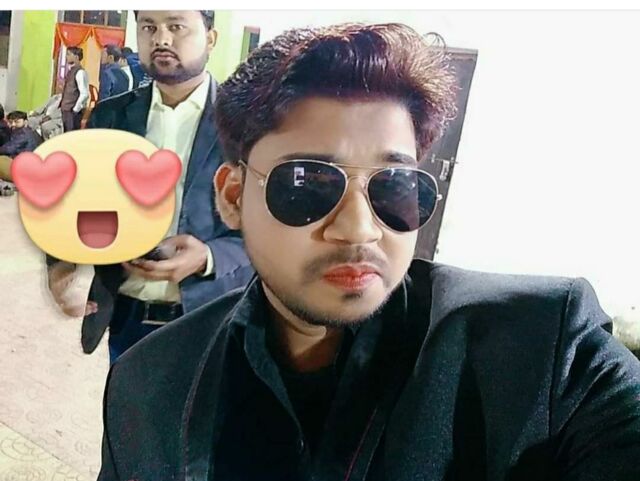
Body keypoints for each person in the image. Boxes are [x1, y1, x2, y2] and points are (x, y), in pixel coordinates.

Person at [98, 23, 640, 480]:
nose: (359, 229)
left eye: (394, 186)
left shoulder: (540, 352)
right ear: (234, 197)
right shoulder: (149, 383)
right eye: (308, 183)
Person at [46, 10, 253, 363]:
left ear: (210, 39)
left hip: (211, 318)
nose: (161, 39)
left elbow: (275, 229)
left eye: (176, 26)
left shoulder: (246, 126)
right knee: (126, 399)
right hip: (126, 318)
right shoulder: (110, 117)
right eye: (148, 27)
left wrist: (209, 256)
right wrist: (62, 264)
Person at [59, 46, 89, 132]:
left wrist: (75, 109)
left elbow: (84, 94)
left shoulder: (80, 72)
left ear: (76, 57)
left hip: (72, 112)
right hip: (67, 110)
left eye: (69, 54)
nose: (66, 57)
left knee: (71, 134)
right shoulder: (71, 71)